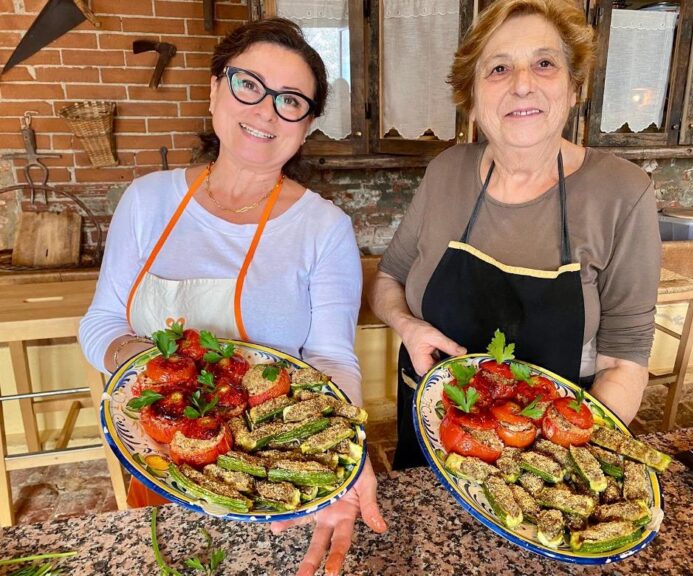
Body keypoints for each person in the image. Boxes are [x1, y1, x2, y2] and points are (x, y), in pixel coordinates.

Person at [79, 18, 386, 575]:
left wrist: (339, 453)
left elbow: (331, 359)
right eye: (249, 84)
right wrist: (157, 369)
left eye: (291, 100)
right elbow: (100, 322)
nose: (266, 110)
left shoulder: (325, 228)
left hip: (272, 481)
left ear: (308, 124)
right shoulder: (148, 200)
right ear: (216, 87)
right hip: (163, 460)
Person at [370, 0, 661, 470]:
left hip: (546, 455)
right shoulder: (447, 171)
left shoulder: (621, 193)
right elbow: (388, 281)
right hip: (427, 435)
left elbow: (623, 362)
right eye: (499, 68)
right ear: (472, 95)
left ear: (573, 88)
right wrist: (408, 325)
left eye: (544, 64)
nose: (522, 84)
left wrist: (554, 470)